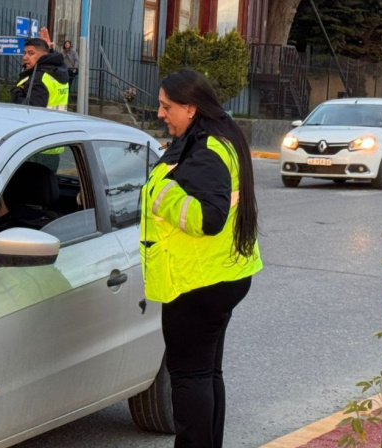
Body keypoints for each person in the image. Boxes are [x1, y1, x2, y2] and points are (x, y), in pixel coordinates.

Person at [140, 69, 262, 448]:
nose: (160, 113)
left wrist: (163, 196)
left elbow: (209, 218)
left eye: (167, 106)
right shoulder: (220, 137)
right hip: (224, 273)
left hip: (196, 281)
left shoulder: (207, 149)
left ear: (191, 108)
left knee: (190, 377)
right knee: (207, 372)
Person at [10, 37, 69, 110]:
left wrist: (16, 92)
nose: (25, 57)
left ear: (44, 55)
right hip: (60, 120)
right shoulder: (59, 70)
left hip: (43, 121)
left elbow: (32, 110)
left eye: (31, 53)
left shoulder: (38, 78)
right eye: (24, 53)